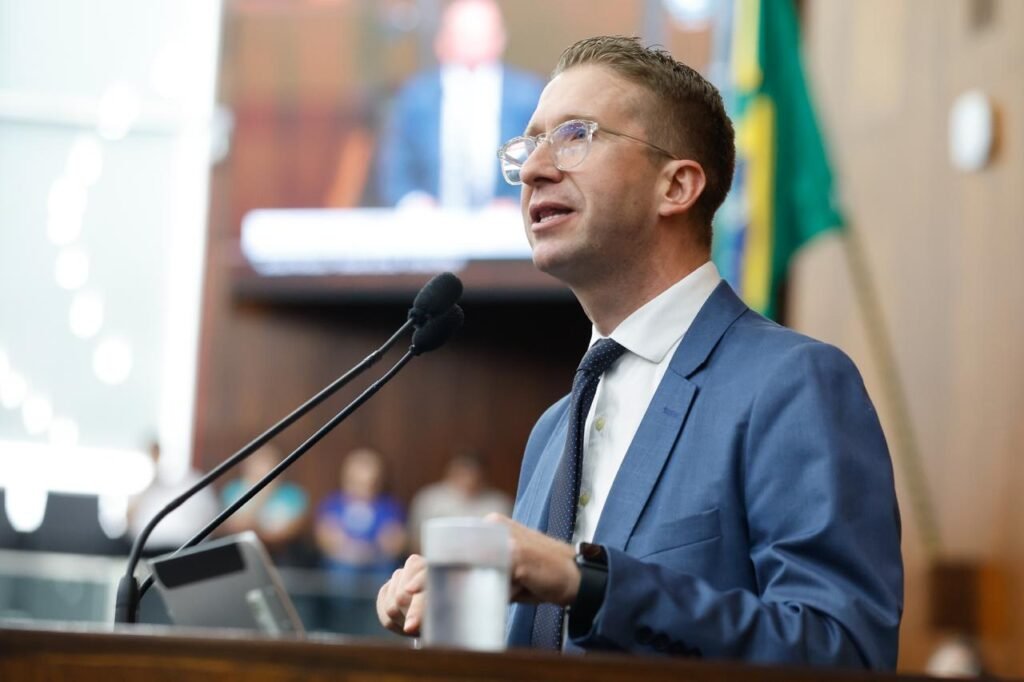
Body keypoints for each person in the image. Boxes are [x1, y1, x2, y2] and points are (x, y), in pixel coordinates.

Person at [376, 36, 903, 668]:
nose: (536, 169)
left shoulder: (792, 385)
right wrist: (448, 607)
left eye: (575, 136)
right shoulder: (552, 432)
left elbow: (843, 652)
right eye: (528, 146)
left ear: (676, 186)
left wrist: (587, 579)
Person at [375, 0, 543, 210]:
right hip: (430, 228)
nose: (472, 41)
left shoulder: (528, 96)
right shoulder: (415, 97)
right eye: (463, 33)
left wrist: (514, 203)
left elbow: (541, 166)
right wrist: (413, 203)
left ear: (500, 38)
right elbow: (395, 170)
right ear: (442, 40)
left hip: (508, 228)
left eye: (480, 33)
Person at [128, 440, 220, 557]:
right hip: (145, 550)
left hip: (184, 550)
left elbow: (208, 518)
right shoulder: (145, 485)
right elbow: (130, 522)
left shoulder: (194, 482)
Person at [407, 452, 512, 553]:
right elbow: (415, 541)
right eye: (462, 473)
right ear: (450, 473)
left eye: (473, 474)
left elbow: (507, 544)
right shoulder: (429, 500)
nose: (468, 479)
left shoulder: (499, 504)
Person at [220, 444, 309, 563]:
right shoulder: (233, 490)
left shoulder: (293, 494)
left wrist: (255, 529)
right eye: (258, 464)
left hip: (281, 557)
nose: (263, 470)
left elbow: (288, 534)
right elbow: (234, 527)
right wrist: (261, 495)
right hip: (240, 554)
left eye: (269, 464)